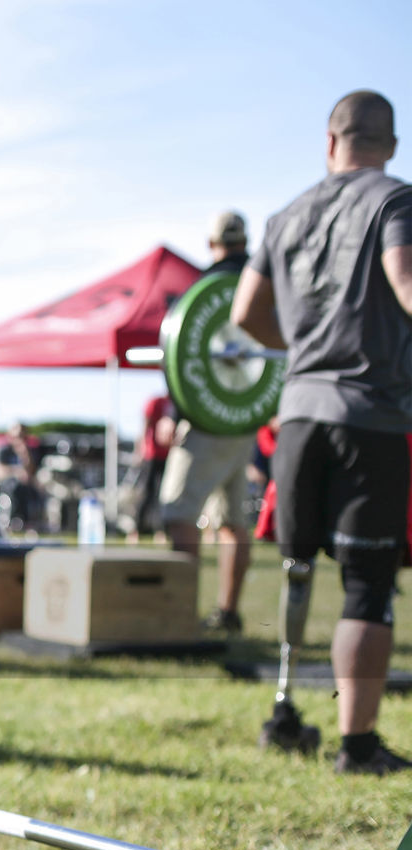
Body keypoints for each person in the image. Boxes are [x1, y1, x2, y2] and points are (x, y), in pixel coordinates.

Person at [231, 90, 412, 774]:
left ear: (329, 141)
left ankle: (283, 711)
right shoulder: (396, 199)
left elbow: (247, 312)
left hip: (299, 412)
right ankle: (357, 745)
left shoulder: (284, 215)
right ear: (389, 145)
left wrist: (306, 345)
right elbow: (407, 281)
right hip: (370, 412)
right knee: (367, 584)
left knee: (298, 566)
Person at [156, 211, 255, 632]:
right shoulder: (261, 284)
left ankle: (178, 615)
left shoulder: (202, 286)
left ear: (211, 244)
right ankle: (228, 612)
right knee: (233, 521)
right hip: (245, 415)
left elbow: (186, 356)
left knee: (178, 514)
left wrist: (175, 413)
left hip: (205, 420)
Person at [130, 393, 176, 541]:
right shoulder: (156, 402)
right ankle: (137, 529)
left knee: (164, 494)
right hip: (152, 454)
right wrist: (141, 448)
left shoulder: (175, 403)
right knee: (147, 492)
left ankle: (161, 530)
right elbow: (145, 424)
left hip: (169, 455)